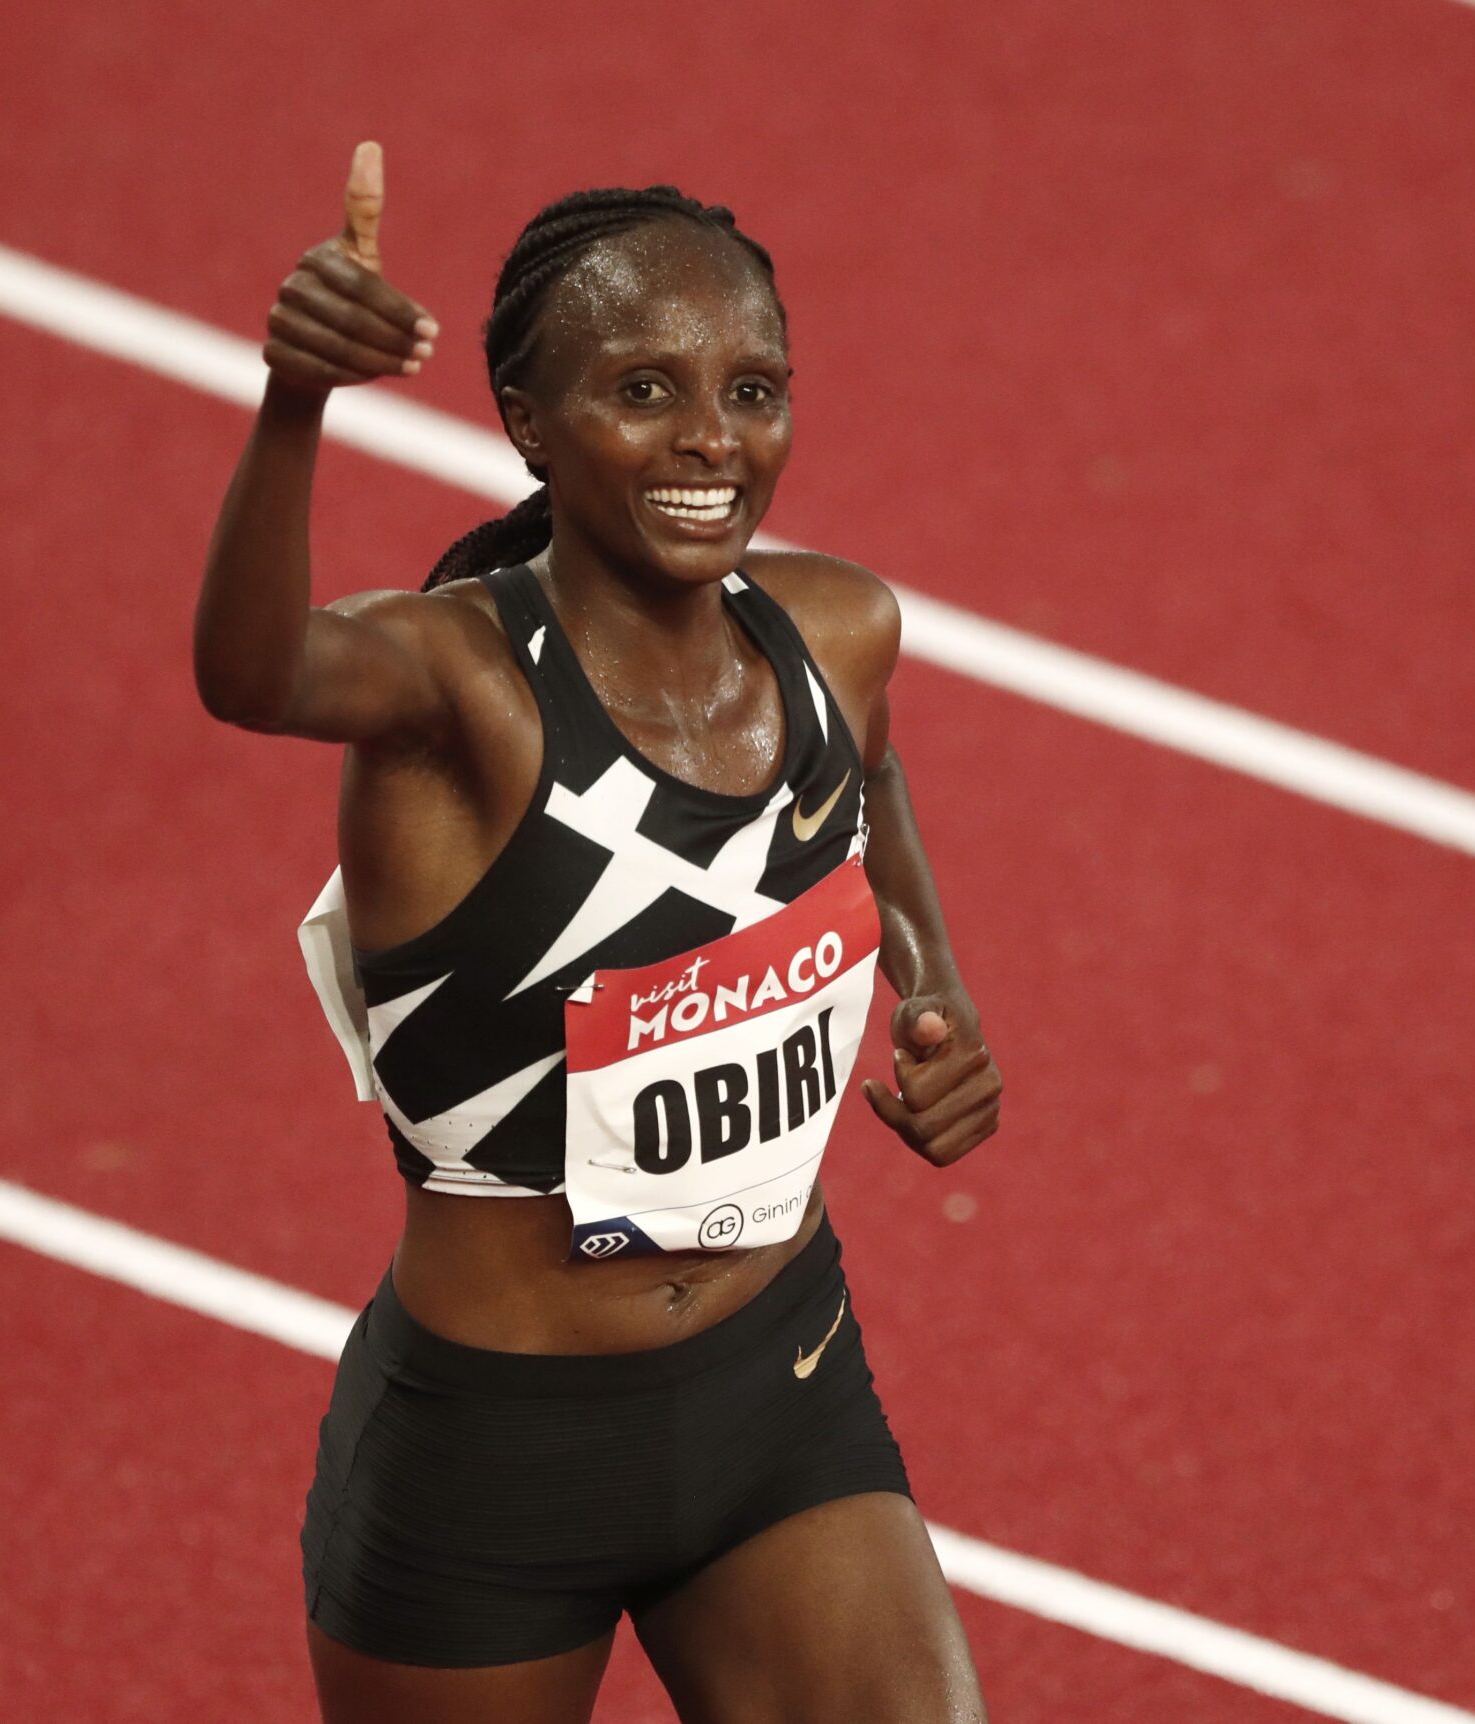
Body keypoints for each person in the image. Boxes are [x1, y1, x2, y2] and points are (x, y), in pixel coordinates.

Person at [195, 143, 1004, 1724]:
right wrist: (296, 400)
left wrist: (933, 986)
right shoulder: (457, 687)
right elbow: (256, 673)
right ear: (529, 422)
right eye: (643, 391)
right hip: (498, 1456)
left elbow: (874, 779)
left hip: (776, 1382)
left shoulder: (838, 629)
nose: (712, 438)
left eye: (752, 391)